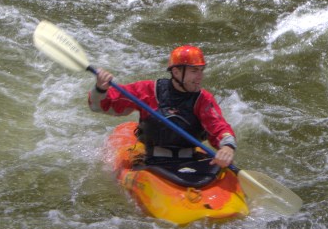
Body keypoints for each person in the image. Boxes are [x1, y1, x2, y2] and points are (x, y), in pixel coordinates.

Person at [88, 45, 236, 168]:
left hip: (190, 160)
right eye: (194, 71)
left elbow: (219, 126)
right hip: (151, 161)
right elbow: (101, 106)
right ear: (177, 72)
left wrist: (227, 146)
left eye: (201, 70)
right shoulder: (148, 91)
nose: (200, 76)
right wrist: (101, 88)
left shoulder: (203, 99)